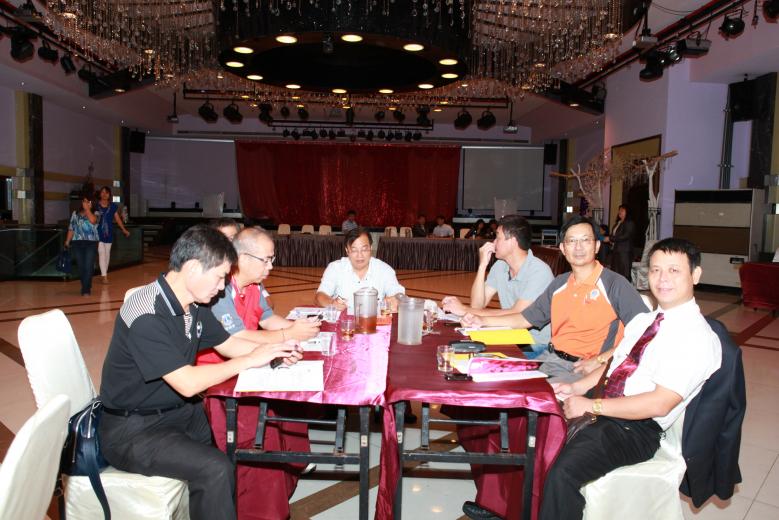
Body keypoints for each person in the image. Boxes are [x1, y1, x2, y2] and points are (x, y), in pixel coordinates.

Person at [98, 225, 302, 519]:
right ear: (193, 268)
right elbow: (187, 383)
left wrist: (273, 353)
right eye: (219, 277)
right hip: (133, 429)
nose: (222, 287)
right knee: (214, 468)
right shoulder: (145, 312)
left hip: (178, 412)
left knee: (233, 445)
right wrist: (250, 359)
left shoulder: (194, 305)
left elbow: (228, 344)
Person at [539, 238, 721, 520]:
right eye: (656, 270)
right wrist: (575, 387)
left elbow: (659, 403)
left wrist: (591, 406)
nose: (662, 278)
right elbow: (616, 365)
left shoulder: (697, 337)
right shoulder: (645, 321)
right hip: (605, 404)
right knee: (534, 430)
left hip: (634, 428)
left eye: (674, 270)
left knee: (562, 471)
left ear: (695, 275)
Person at [200, 226, 319, 519]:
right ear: (241, 258)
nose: (271, 266)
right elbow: (236, 338)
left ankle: (293, 464)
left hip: (249, 364)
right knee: (256, 435)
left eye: (271, 259)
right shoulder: (220, 289)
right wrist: (287, 335)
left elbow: (266, 319)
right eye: (266, 260)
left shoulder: (254, 286)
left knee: (289, 398)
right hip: (220, 376)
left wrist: (299, 330)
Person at [462, 215, 647, 381]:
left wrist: (601, 360)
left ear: (597, 246)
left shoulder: (615, 284)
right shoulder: (560, 283)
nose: (578, 247)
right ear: (563, 249)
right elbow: (525, 319)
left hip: (585, 369)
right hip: (552, 360)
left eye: (585, 240)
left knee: (526, 396)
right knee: (487, 375)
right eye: (571, 241)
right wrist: (481, 320)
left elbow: (648, 332)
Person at [442, 215, 553, 350]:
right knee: (461, 345)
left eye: (498, 237)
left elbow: (518, 314)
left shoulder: (539, 271)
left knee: (476, 352)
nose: (493, 242)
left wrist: (464, 310)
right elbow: (477, 305)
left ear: (512, 241)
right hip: (509, 333)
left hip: (534, 342)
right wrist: (482, 266)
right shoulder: (501, 265)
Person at [315, 227, 405, 313]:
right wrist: (332, 303)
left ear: (371, 248)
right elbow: (320, 296)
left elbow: (399, 294)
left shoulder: (384, 270)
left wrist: (396, 300)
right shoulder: (335, 268)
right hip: (344, 322)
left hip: (374, 321)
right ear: (347, 250)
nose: (360, 255)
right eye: (354, 250)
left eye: (364, 249)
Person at [64, 194, 99, 296]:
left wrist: (87, 209)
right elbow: (71, 228)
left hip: (91, 243)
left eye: (88, 201)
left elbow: (93, 221)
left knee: (88, 266)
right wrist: (67, 241)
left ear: (92, 203)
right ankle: (86, 284)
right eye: (84, 201)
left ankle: (85, 289)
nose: (85, 203)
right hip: (77, 243)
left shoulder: (96, 213)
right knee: (81, 267)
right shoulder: (75, 213)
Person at [94, 186, 130, 284]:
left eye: (106, 192)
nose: (104, 194)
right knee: (102, 253)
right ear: (100, 194)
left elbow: (117, 219)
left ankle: (104, 274)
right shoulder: (96, 206)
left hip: (109, 232)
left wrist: (124, 230)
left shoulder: (113, 206)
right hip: (98, 232)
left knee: (107, 254)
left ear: (109, 195)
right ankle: (104, 276)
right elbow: (93, 219)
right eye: (102, 192)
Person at [605, 204, 635, 280]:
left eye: (622, 210)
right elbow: (614, 235)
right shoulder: (618, 223)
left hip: (624, 252)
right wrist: (611, 240)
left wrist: (610, 238)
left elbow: (625, 236)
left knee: (624, 273)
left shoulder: (629, 223)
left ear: (627, 212)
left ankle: (625, 287)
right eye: (619, 210)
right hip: (616, 251)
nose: (619, 212)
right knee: (615, 273)